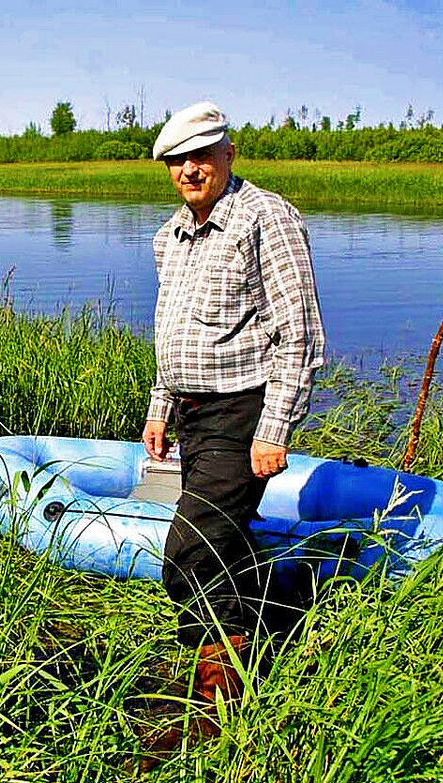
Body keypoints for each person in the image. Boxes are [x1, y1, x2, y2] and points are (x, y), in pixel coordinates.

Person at [142, 101, 326, 704]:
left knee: (189, 553)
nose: (189, 169)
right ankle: (251, 637)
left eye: (201, 154)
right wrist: (159, 407)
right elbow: (171, 330)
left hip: (241, 410)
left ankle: (222, 696)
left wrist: (274, 427)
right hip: (191, 412)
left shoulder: (263, 217)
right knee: (220, 543)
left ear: (228, 153)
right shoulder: (170, 236)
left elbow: (298, 330)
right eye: (177, 159)